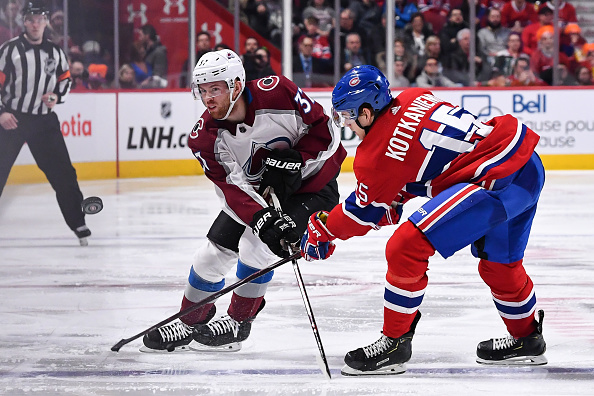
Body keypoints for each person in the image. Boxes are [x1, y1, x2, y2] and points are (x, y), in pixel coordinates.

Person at [300, 65, 546, 375]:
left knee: (405, 246)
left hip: (493, 180)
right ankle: (527, 340)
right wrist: (392, 197)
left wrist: (322, 229)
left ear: (366, 112)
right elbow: (424, 160)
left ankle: (395, 342)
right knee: (500, 265)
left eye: (348, 116)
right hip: (525, 166)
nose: (347, 124)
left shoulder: (375, 156)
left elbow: (358, 216)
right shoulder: (414, 96)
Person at [141, 49, 346, 353]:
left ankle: (238, 321)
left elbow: (326, 131)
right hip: (258, 193)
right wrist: (262, 217)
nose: (208, 98)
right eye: (203, 90)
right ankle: (189, 320)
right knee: (210, 256)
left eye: (215, 89)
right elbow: (231, 188)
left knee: (255, 245)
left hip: (312, 188)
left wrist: (296, 160)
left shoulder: (278, 92)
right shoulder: (204, 138)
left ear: (236, 86)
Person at [0, 0, 91, 245]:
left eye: (40, 19)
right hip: (12, 119)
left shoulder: (55, 51)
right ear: (24, 22)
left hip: (43, 121)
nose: (35, 23)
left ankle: (78, 222)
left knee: (63, 173)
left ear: (46, 22)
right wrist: (1, 112)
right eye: (31, 19)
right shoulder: (9, 50)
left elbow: (65, 80)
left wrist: (56, 96)